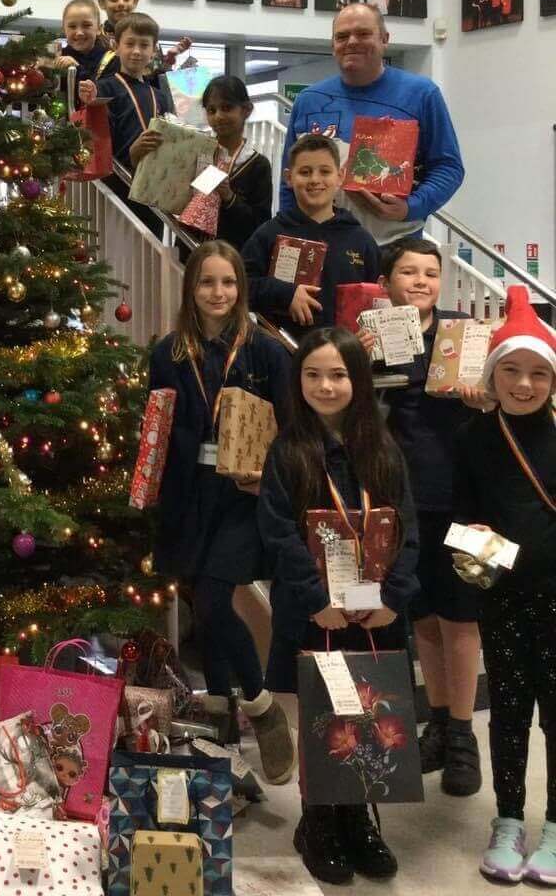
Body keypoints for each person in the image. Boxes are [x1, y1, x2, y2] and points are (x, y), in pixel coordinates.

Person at [258, 327, 419, 884]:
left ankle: (358, 821)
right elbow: (277, 534)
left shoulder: (383, 450)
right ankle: (318, 822)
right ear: (297, 379)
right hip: (315, 616)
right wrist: (314, 599)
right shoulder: (288, 452)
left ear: (359, 379)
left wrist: (394, 597)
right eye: (313, 374)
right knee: (322, 718)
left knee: (364, 718)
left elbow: (407, 526)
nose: (326, 386)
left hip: (374, 615)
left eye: (339, 374)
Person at [149, 242, 294, 782]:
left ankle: (262, 708)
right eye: (207, 282)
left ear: (241, 288)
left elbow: (292, 432)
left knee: (214, 595)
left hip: (243, 496)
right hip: (190, 492)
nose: (218, 293)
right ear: (191, 287)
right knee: (203, 606)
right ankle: (220, 719)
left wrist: (271, 479)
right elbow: (159, 426)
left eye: (228, 282)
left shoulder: (267, 352)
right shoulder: (167, 352)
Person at [359, 240, 487, 798]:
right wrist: (357, 359)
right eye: (408, 272)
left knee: (461, 621)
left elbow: (507, 400)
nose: (421, 281)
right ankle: (437, 721)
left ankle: (462, 736)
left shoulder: (465, 335)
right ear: (385, 281)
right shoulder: (371, 334)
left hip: (459, 496)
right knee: (425, 618)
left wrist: (482, 397)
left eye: (431, 273)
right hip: (399, 498)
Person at [453, 287, 556, 884]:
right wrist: (479, 562)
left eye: (538, 374)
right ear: (493, 375)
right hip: (505, 601)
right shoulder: (473, 438)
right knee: (510, 712)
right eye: (511, 371)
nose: (523, 385)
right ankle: (509, 818)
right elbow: (463, 516)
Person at [280, 3, 465, 243]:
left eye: (364, 34)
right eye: (342, 36)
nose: (352, 42)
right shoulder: (309, 101)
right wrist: (289, 233)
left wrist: (411, 207)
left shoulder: (422, 94)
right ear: (333, 45)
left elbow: (449, 168)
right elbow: (289, 180)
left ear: (385, 39)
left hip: (392, 248)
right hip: (322, 247)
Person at [243, 134, 379, 335]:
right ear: (289, 177)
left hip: (345, 358)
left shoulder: (362, 241)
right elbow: (240, 285)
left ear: (340, 176)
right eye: (305, 172)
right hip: (283, 353)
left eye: (325, 171)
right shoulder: (268, 234)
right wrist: (285, 294)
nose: (315, 180)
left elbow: (378, 300)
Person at [78, 12, 167, 239]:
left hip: (152, 193)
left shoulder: (160, 96)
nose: (136, 51)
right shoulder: (105, 88)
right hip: (118, 190)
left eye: (144, 45)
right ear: (116, 46)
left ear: (154, 49)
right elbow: (98, 142)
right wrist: (132, 153)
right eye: (129, 44)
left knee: (151, 258)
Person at [201, 75, 272, 253]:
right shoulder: (199, 154)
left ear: (246, 110)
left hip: (236, 258)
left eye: (226, 108)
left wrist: (229, 197)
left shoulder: (258, 165)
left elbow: (260, 224)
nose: (218, 116)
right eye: (211, 110)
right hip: (194, 252)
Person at [46, 0, 118, 85]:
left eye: (86, 25)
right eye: (72, 26)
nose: (79, 32)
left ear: (99, 29)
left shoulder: (110, 60)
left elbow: (103, 92)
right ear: (64, 30)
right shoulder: (58, 56)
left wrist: (77, 68)